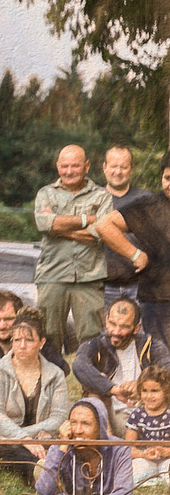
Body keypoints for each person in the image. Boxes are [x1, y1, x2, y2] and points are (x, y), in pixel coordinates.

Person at [0, 308, 70, 481]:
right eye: (17, 340)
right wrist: (21, 438)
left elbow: (58, 418)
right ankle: (38, 472)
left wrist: (23, 437)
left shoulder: (55, 374)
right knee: (6, 448)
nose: (22, 346)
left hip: (38, 438)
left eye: (29, 340)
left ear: (42, 342)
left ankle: (45, 467)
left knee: (61, 448)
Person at [0, 290, 70, 436]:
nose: (2, 326)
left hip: (37, 417)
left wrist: (28, 370)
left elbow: (62, 368)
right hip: (2, 410)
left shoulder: (37, 343)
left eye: (8, 319)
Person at [33, 144, 113, 351]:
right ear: (58, 166)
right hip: (52, 275)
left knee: (92, 337)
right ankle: (50, 383)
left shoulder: (103, 196)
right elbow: (43, 223)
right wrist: (88, 219)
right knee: (47, 337)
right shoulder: (46, 194)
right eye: (64, 166)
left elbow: (101, 232)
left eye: (75, 166)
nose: (69, 171)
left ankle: (93, 383)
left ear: (86, 166)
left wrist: (57, 228)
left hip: (89, 277)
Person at [92, 151, 170, 354]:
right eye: (167, 178)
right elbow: (104, 224)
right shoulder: (150, 206)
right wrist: (136, 254)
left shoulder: (145, 198)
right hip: (156, 299)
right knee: (158, 361)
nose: (169, 184)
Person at [72, 297, 168, 435]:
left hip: (149, 413)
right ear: (106, 321)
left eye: (124, 327)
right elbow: (78, 365)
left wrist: (141, 385)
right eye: (112, 324)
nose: (116, 331)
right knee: (94, 392)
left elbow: (167, 370)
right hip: (112, 416)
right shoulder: (96, 345)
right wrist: (113, 389)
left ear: (136, 328)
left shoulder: (152, 345)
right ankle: (107, 444)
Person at [100, 144, 148, 305]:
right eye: (113, 166)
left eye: (123, 167)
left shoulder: (146, 199)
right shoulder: (93, 199)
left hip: (140, 285)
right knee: (106, 330)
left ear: (131, 169)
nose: (118, 172)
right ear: (105, 167)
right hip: (102, 287)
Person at [124, 365, 170, 487]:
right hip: (145, 459)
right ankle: (152, 479)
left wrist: (165, 451)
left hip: (167, 458)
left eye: (155, 391)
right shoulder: (138, 415)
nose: (149, 396)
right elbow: (128, 448)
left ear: (166, 391)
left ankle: (160, 478)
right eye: (145, 391)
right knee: (132, 472)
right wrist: (143, 454)